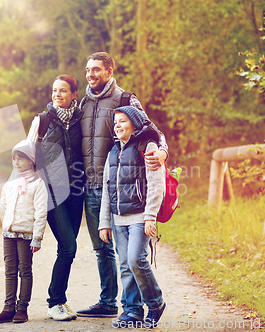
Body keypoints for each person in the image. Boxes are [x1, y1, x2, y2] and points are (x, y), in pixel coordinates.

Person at [77, 52, 168, 318]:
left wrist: (162, 152)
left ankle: (134, 307)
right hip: (95, 187)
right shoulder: (83, 102)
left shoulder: (126, 100)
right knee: (101, 249)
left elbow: (153, 132)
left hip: (126, 190)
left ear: (109, 70)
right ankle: (108, 302)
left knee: (131, 258)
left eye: (96, 69)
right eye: (87, 69)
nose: (90, 74)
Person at [99, 106, 166, 328]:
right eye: (116, 122)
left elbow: (157, 184)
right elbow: (107, 188)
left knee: (137, 259)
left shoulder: (148, 146)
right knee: (126, 264)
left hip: (139, 216)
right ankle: (132, 311)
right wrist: (104, 222)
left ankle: (155, 304)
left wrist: (150, 216)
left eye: (123, 121)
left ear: (135, 124)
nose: (117, 125)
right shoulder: (112, 152)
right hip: (118, 219)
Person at [26, 75, 85, 321]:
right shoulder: (42, 121)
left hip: (77, 192)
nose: (57, 94)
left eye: (63, 91)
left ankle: (59, 300)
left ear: (74, 94)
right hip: (51, 194)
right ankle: (55, 303)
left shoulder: (83, 120)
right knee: (69, 245)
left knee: (66, 249)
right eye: (54, 90)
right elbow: (26, 158)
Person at [0, 140, 47, 324]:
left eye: (20, 159)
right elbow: (4, 208)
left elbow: (41, 213)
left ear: (31, 160)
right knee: (9, 271)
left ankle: (22, 308)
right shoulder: (10, 184)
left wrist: (37, 238)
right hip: (8, 234)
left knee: (25, 270)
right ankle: (8, 308)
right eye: (14, 159)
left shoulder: (37, 184)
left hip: (26, 235)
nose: (16, 163)